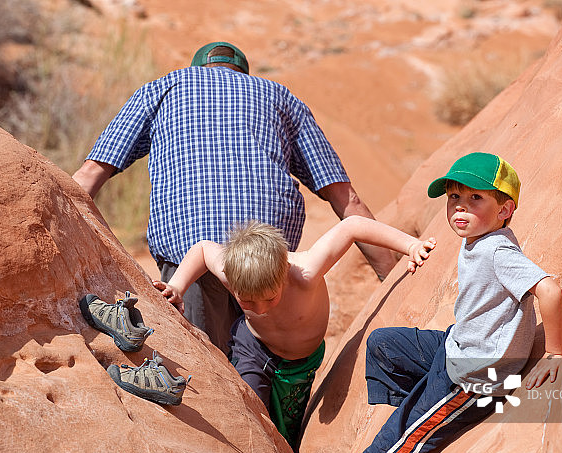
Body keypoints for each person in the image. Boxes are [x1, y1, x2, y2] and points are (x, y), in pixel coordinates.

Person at [276, 152, 562, 453]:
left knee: (400, 433)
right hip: (457, 346)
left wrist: (554, 352)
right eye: (454, 199)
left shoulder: (498, 250)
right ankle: (419, 421)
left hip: (475, 377)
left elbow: (549, 290)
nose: (460, 208)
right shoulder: (479, 239)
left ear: (505, 209)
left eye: (475, 199)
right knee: (384, 344)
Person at [72, 41, 397, 354]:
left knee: (208, 381)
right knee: (261, 381)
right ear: (243, 72)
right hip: (268, 264)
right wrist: (394, 282)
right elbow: (345, 198)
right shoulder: (279, 96)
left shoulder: (164, 87)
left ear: (199, 68)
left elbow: (88, 176)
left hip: (191, 261)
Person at [153, 217, 436, 450]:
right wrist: (177, 286)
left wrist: (410, 244)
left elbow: (352, 226)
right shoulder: (231, 269)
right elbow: (203, 249)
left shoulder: (305, 271)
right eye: (246, 302)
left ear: (284, 273)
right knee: (253, 411)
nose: (260, 309)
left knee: (290, 429)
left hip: (302, 362)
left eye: (270, 298)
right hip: (254, 348)